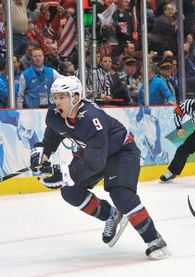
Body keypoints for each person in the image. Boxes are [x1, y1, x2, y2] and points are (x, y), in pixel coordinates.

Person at [30, 76, 169, 259]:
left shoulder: (91, 118)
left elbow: (95, 162)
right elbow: (52, 137)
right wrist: (42, 153)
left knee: (121, 195)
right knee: (70, 191)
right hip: (93, 154)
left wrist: (64, 173)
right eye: (55, 97)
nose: (57, 102)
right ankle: (111, 215)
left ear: (75, 97)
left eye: (62, 97)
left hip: (121, 152)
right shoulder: (55, 114)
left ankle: (155, 240)